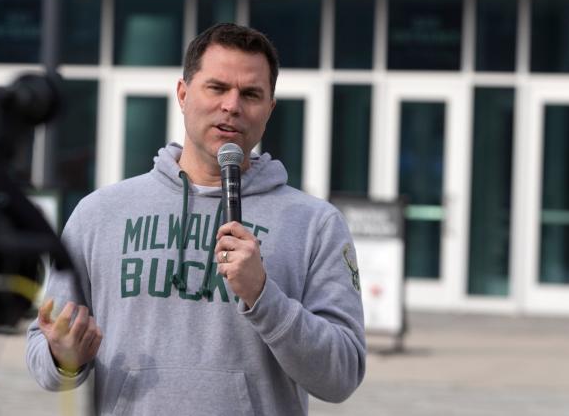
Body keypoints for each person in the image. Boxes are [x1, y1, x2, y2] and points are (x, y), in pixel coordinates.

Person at [26, 23, 366, 414]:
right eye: (217, 88)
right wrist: (62, 354)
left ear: (269, 110)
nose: (232, 106)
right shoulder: (99, 214)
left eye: (251, 94)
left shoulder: (315, 224)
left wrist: (263, 296)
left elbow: (341, 376)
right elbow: (42, 350)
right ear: (183, 94)